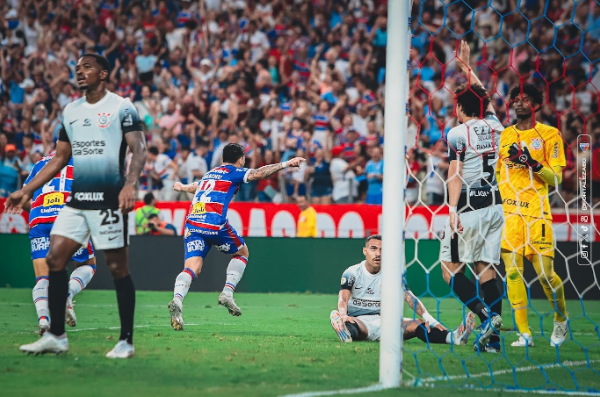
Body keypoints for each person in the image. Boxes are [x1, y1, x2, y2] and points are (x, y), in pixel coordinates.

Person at [5, 54, 147, 358]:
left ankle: (126, 340)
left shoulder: (121, 107)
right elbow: (59, 159)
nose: (80, 71)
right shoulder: (71, 111)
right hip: (77, 198)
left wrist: (131, 184)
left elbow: (139, 147)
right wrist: (26, 190)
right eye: (77, 67)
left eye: (87, 67)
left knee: (116, 267)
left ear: (104, 73)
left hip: (107, 195)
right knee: (55, 260)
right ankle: (56, 335)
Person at [168, 143, 304, 330]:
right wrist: (286, 164)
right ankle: (227, 293)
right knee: (242, 252)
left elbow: (197, 186)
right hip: (214, 222)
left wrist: (182, 187)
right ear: (240, 159)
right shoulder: (234, 172)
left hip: (192, 223)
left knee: (193, 268)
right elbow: (259, 173)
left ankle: (177, 300)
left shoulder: (210, 174)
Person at [439, 41, 505, 353]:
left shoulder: (457, 133)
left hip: (468, 206)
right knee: (485, 269)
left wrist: (452, 209)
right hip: (495, 205)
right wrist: (467, 67)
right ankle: (493, 341)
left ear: (460, 109)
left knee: (449, 269)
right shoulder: (496, 126)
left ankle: (484, 317)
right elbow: (485, 98)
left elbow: (455, 172)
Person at [498, 83, 568, 348]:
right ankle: (524, 333)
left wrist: (532, 163)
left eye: (525, 99)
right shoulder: (506, 135)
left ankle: (561, 318)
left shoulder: (550, 134)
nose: (518, 103)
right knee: (513, 274)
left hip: (537, 213)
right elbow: (498, 172)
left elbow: (556, 178)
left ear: (535, 104)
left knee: (545, 274)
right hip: (509, 214)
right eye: (515, 99)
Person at [330, 235, 475, 344]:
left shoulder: (393, 273)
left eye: (382, 250)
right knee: (353, 325)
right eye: (373, 249)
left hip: (387, 322)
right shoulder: (353, 272)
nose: (378, 253)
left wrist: (429, 319)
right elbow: (343, 297)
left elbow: (410, 298)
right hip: (360, 321)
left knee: (418, 324)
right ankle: (345, 331)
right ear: (365, 251)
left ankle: (454, 338)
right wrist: (343, 314)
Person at [24, 153, 97, 335]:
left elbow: (24, 198)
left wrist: (41, 209)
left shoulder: (39, 163)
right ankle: (68, 293)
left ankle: (43, 319)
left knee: (42, 278)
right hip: (67, 218)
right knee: (88, 265)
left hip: (40, 219)